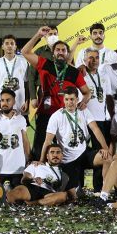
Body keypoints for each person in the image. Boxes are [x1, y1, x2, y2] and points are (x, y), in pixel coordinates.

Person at [21, 26, 91, 162]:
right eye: (57, 50)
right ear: (53, 53)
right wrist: (38, 35)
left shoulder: (74, 72)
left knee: (65, 150)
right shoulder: (44, 64)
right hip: (46, 113)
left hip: (66, 117)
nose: (60, 52)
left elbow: (87, 92)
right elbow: (25, 52)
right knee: (40, 147)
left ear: (67, 53)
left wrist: (84, 101)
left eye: (63, 50)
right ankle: (38, 171)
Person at [41, 87, 111, 197]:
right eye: (67, 99)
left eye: (72, 99)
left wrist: (105, 148)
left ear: (77, 99)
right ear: (63, 100)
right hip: (67, 160)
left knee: (107, 158)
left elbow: (95, 129)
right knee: (75, 195)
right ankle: (77, 187)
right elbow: (48, 141)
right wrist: (41, 161)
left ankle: (103, 193)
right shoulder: (56, 116)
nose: (69, 102)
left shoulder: (84, 111)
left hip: (84, 153)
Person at [0, 88, 30, 190]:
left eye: (8, 100)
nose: (4, 103)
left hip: (18, 169)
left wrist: (29, 159)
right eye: (2, 100)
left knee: (18, 196)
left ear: (14, 102)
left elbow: (25, 141)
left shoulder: (21, 119)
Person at [82, 48, 111, 191]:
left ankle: (98, 188)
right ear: (84, 60)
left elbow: (108, 98)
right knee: (79, 151)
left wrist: (110, 116)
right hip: (83, 119)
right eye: (90, 58)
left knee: (101, 153)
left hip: (101, 120)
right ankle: (78, 186)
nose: (94, 60)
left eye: (96, 57)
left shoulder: (104, 76)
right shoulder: (81, 75)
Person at [0, 34, 29, 114]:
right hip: (1, 105)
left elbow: (27, 84)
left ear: (15, 46)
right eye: (6, 43)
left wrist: (27, 101)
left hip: (20, 105)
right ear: (2, 47)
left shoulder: (24, 62)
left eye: (12, 43)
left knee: (21, 122)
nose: (9, 46)